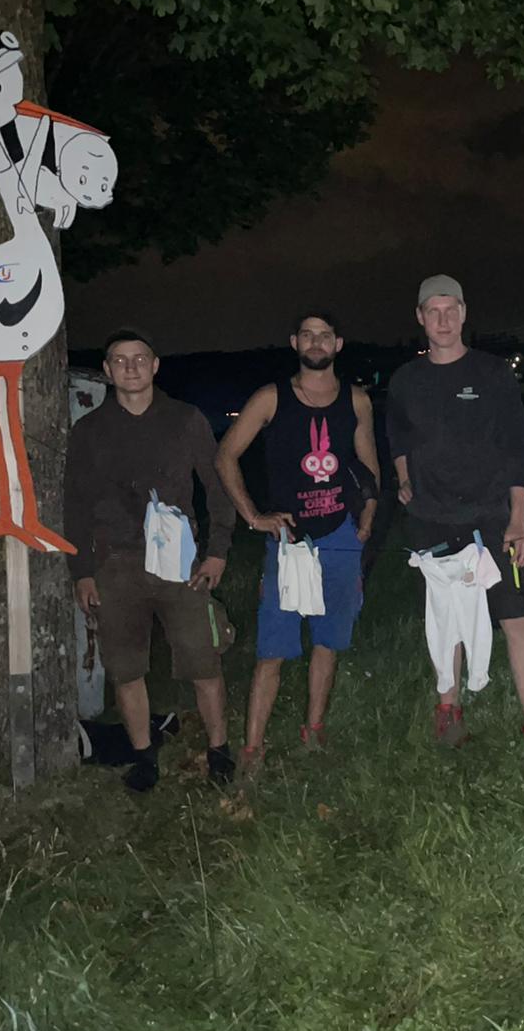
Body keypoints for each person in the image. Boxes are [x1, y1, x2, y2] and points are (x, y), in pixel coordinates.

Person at [386, 275, 524, 780]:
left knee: (516, 617)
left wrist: (518, 521)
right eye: (433, 311)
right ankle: (448, 713)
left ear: (465, 313)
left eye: (451, 309)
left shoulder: (491, 374)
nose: (443, 320)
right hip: (431, 520)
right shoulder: (405, 380)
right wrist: (404, 480)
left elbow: (517, 448)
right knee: (446, 618)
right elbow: (398, 439)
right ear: (420, 317)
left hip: (491, 520)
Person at [64, 328, 237, 791]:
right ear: (107, 370)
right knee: (125, 669)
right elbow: (75, 506)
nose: (131, 367)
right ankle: (143, 757)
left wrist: (217, 551)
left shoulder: (186, 419)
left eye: (140, 358)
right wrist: (82, 572)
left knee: (204, 659)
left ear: (156, 365)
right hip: (115, 565)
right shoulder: (89, 431)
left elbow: (218, 485)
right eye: (120, 360)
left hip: (181, 562)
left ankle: (219, 751)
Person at [215, 311, 380, 772]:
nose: (316, 342)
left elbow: (368, 465)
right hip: (288, 541)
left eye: (325, 335)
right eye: (307, 334)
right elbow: (226, 455)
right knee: (273, 648)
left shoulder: (357, 400)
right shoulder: (271, 398)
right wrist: (254, 516)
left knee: (328, 641)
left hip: (341, 536)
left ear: (338, 344)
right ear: (294, 342)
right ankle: (252, 749)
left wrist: (367, 517)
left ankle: (314, 731)